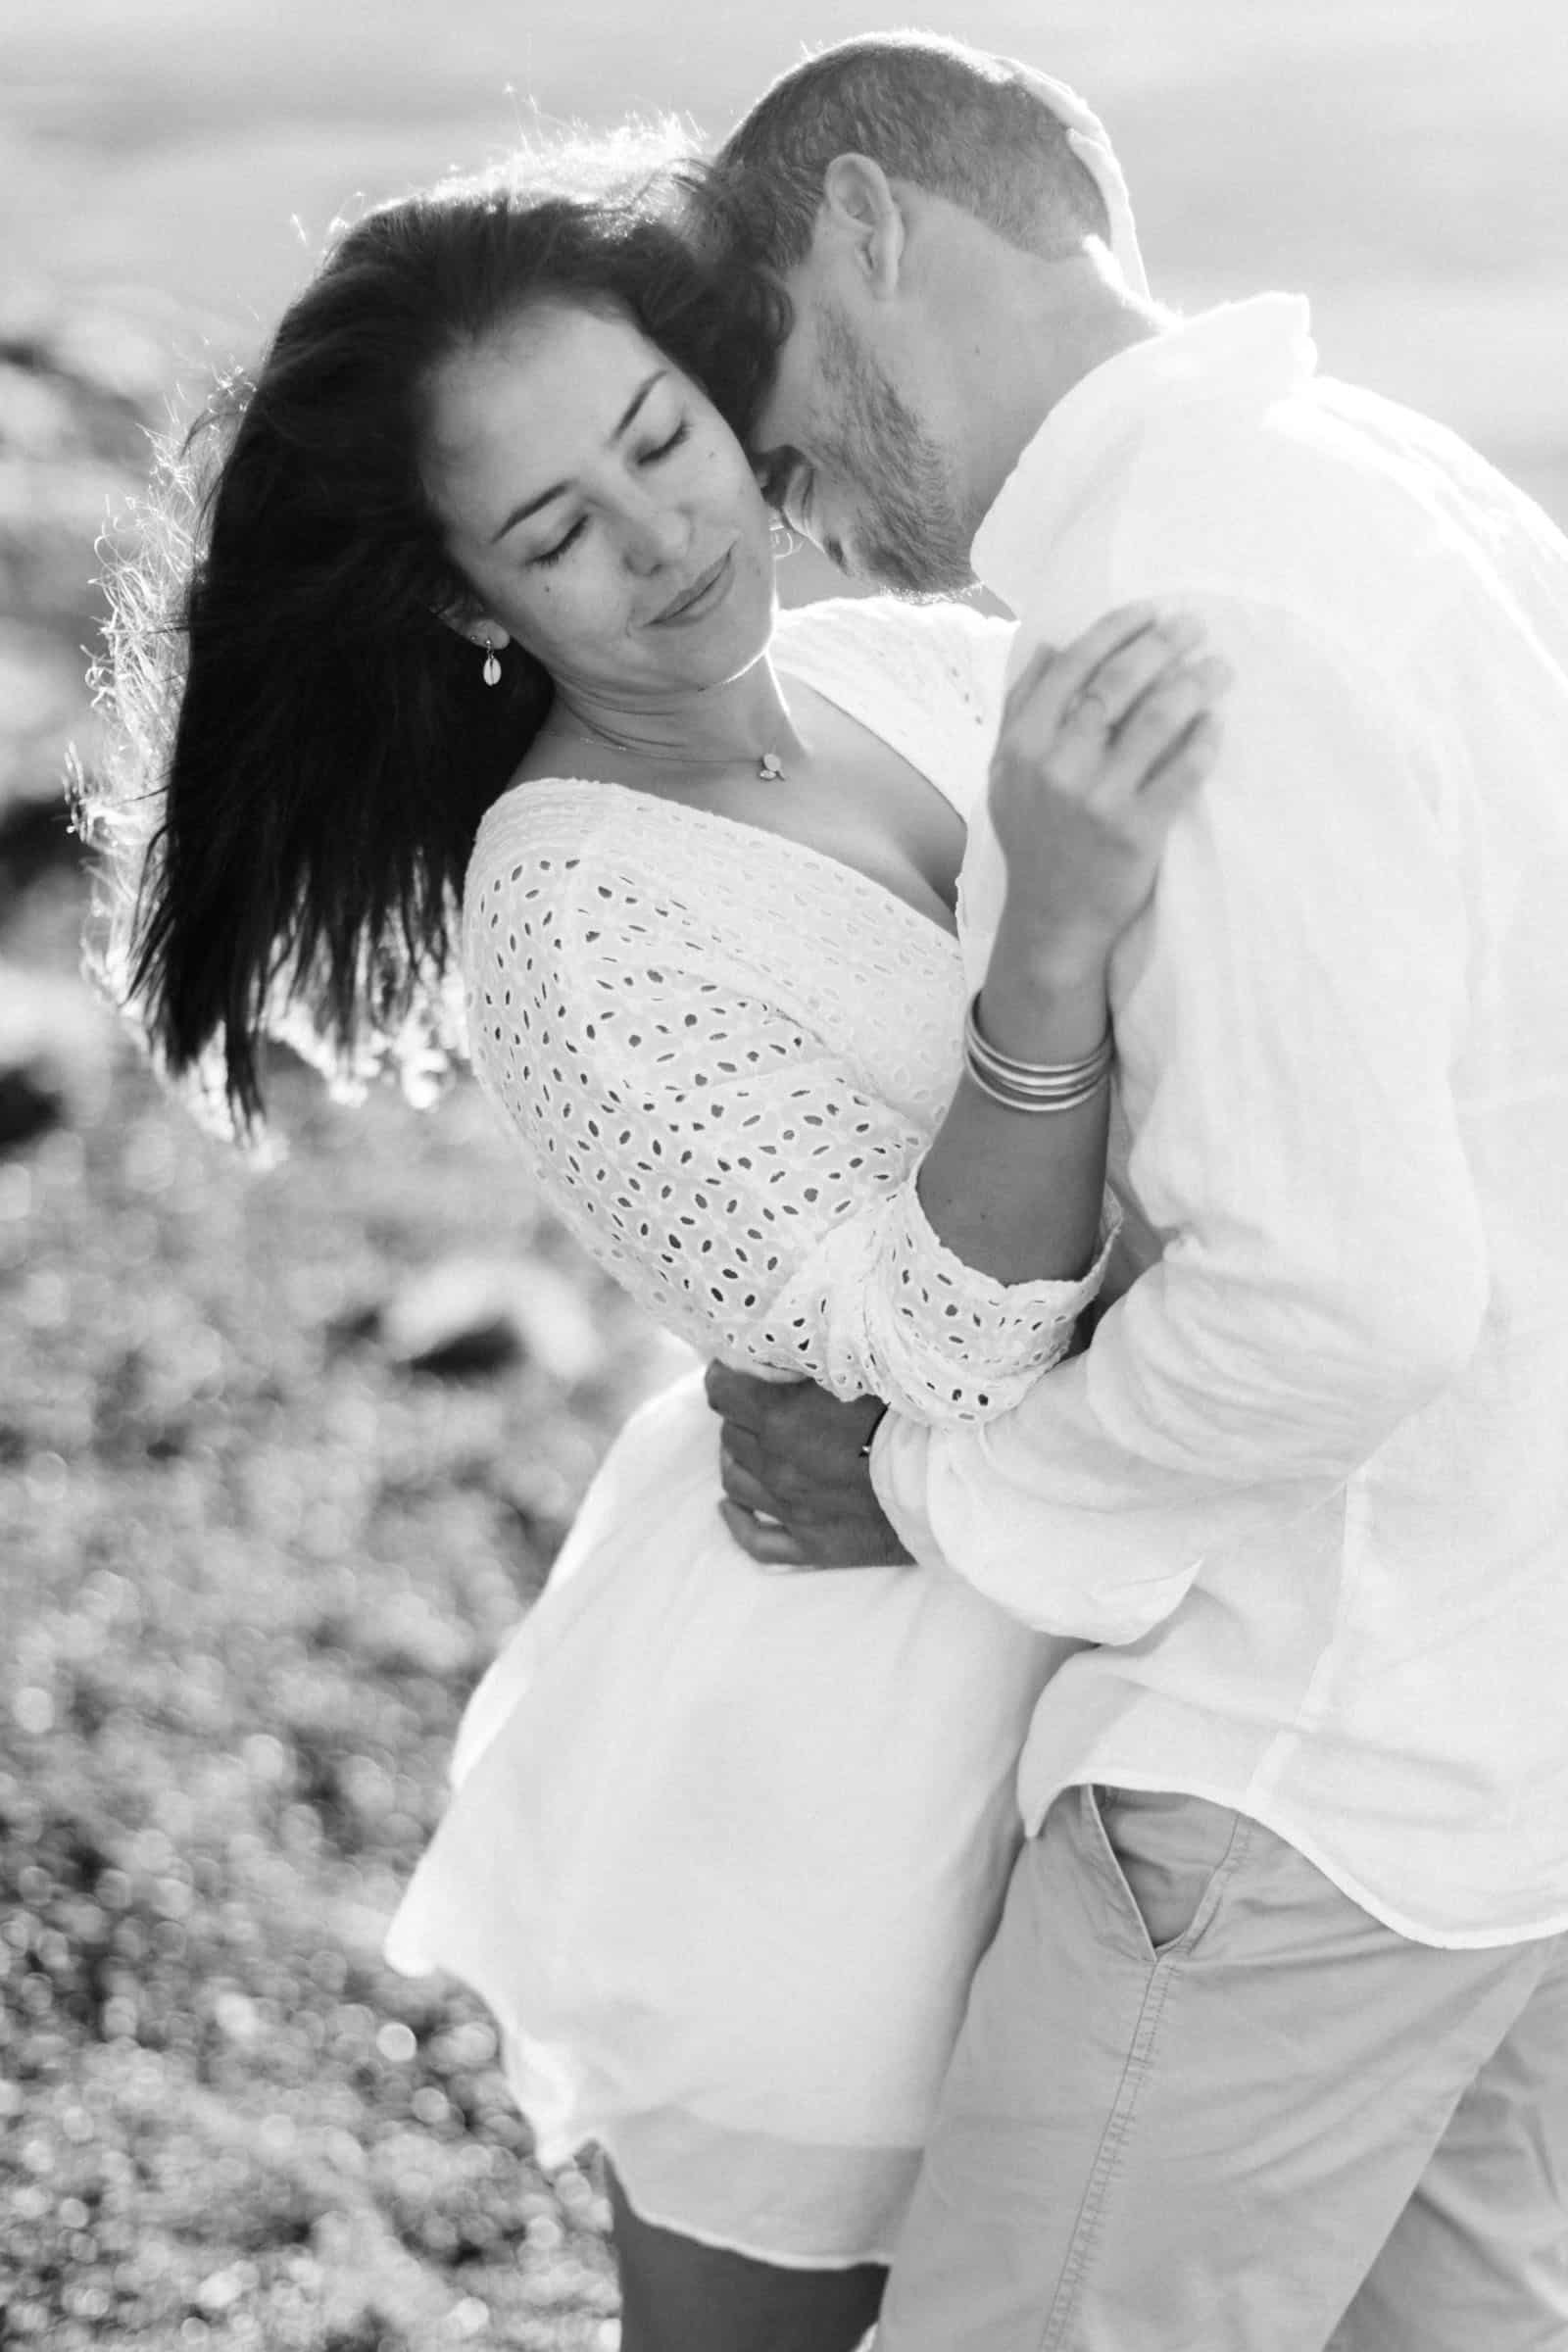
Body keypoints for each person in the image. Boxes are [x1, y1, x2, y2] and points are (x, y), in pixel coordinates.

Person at [86, 130, 1230, 2351]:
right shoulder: (568, 910)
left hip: (1141, 1651)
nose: (662, 537)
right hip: (840, 1757)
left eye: (660, 439)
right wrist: (1053, 946)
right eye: (553, 534)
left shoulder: (922, 662)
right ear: (459, 603)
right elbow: (938, 1345)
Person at [704, 30, 1568, 2352]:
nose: (778, 497)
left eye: (763, 371)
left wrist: (933, 1492)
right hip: (1494, 1746)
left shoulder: (1194, 598)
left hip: (1300, 1767)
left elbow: (1344, 1297)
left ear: (873, 228)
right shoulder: (1395, 483)